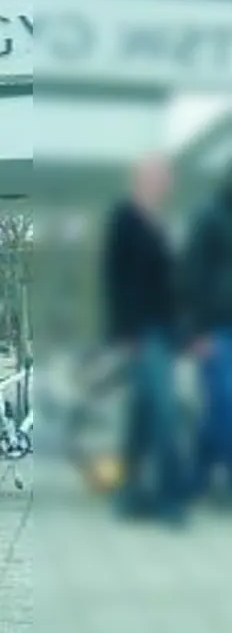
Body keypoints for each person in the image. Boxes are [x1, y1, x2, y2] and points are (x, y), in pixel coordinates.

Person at [103, 154, 187, 524]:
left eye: (165, 177)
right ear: (140, 178)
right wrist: (125, 331)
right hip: (141, 331)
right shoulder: (125, 218)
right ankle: (171, 499)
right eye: (155, 175)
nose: (162, 182)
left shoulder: (163, 222)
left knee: (142, 413)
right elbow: (115, 277)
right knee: (164, 413)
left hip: (166, 330)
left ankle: (129, 493)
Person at [183, 162, 232, 503]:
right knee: (223, 403)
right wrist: (197, 329)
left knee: (218, 409)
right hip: (216, 327)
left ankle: (198, 478)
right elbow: (192, 273)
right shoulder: (210, 215)